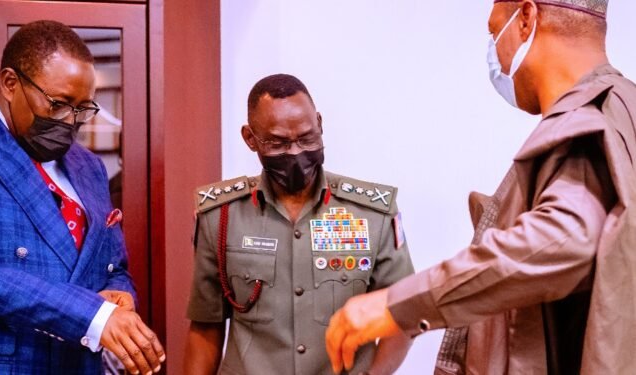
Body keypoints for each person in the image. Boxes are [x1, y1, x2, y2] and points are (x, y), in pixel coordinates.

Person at [325, 1, 636, 374]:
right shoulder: (624, 107)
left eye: (494, 33)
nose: (496, 56)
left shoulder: (583, 122)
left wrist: (398, 304)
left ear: (526, 18)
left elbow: (563, 237)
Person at [0, 20, 164, 374]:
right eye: (59, 104)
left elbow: (113, 267)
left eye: (83, 108)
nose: (70, 121)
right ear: (10, 83)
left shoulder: (88, 166)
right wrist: (92, 314)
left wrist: (120, 295)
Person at [183, 74, 415, 374]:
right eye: (278, 143)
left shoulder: (371, 214)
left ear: (319, 124)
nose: (295, 153)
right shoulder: (221, 217)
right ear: (250, 138)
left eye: (307, 138)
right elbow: (205, 327)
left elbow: (405, 314)